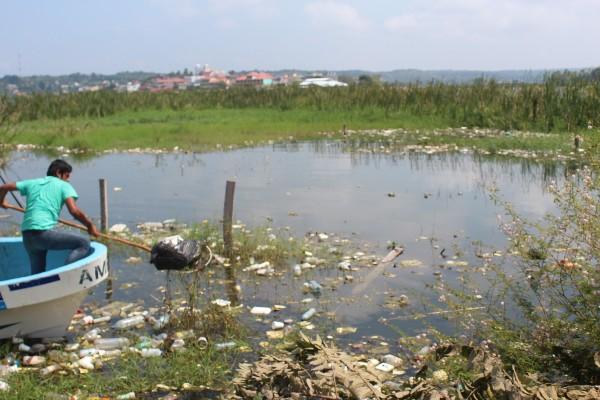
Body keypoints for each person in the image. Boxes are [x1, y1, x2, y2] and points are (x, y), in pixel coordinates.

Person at [0, 159, 100, 275]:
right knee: (83, 242)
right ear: (58, 173)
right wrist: (89, 225)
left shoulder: (33, 182)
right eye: (67, 175)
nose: (68, 179)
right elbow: (74, 211)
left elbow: (3, 187)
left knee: (37, 274)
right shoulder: (63, 185)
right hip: (42, 234)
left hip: (27, 236)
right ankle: (66, 275)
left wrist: (1, 201)